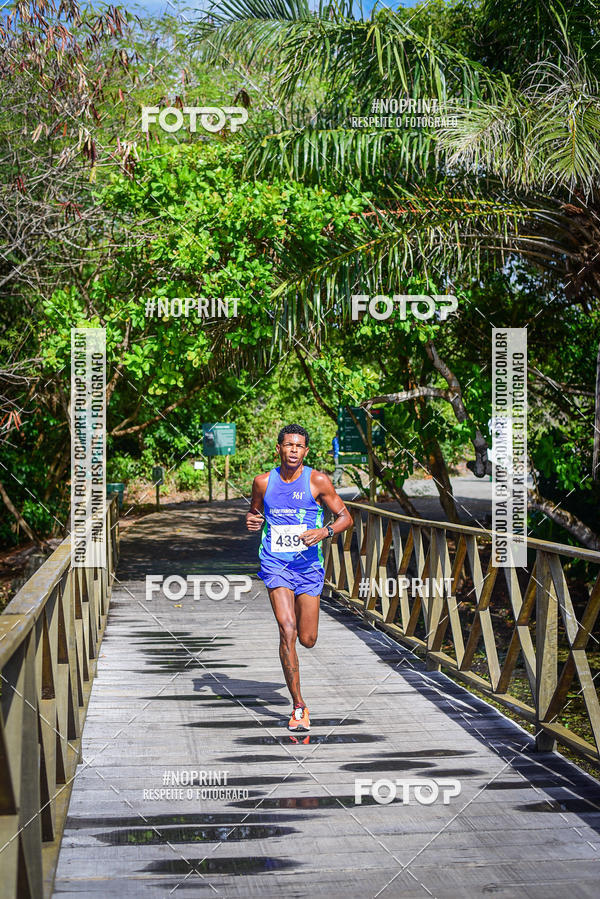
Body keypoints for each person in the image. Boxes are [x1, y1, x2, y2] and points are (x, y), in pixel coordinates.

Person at [245, 424, 353, 732]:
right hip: (275, 563)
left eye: (299, 446)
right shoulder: (263, 482)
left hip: (307, 567)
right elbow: (255, 514)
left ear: (305, 451)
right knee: (287, 629)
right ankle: (299, 705)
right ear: (278, 449)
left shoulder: (317, 481)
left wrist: (324, 531)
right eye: (288, 445)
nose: (294, 450)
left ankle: (298, 695)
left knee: (307, 639)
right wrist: (252, 521)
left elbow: (346, 517)